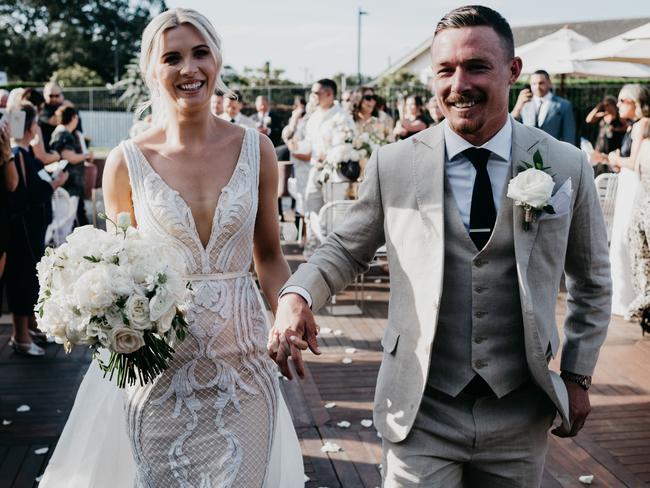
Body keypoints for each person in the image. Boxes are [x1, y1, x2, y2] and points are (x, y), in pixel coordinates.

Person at [271, 5, 611, 487]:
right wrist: (295, 295)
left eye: (477, 67)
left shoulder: (564, 165)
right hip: (420, 408)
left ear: (513, 71)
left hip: (521, 410)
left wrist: (577, 376)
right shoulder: (394, 163)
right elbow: (344, 250)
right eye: (445, 70)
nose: (459, 84)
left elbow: (592, 280)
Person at [39, 8, 303, 487]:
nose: (189, 69)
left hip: (244, 369)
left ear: (217, 61)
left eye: (200, 53)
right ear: (153, 69)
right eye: (173, 57)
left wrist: (287, 307)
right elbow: (116, 270)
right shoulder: (125, 162)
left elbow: (268, 255)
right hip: (158, 378)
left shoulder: (257, 149)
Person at [6, 103, 68, 356]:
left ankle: (30, 327)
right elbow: (27, 194)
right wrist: (55, 184)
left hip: (30, 228)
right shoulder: (16, 155)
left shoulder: (23, 154)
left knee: (30, 280)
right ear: (32, 127)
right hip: (23, 230)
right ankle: (19, 337)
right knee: (22, 281)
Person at [49, 105, 93, 227]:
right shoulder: (64, 134)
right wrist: (86, 155)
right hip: (69, 185)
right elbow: (70, 157)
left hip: (68, 183)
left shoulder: (61, 132)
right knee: (66, 222)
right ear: (73, 117)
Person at [511, 70, 576, 145]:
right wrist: (517, 107)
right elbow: (511, 126)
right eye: (534, 84)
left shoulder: (564, 105)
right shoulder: (524, 103)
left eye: (541, 83)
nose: (537, 87)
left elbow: (569, 135)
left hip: (553, 152)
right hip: (527, 152)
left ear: (549, 83)